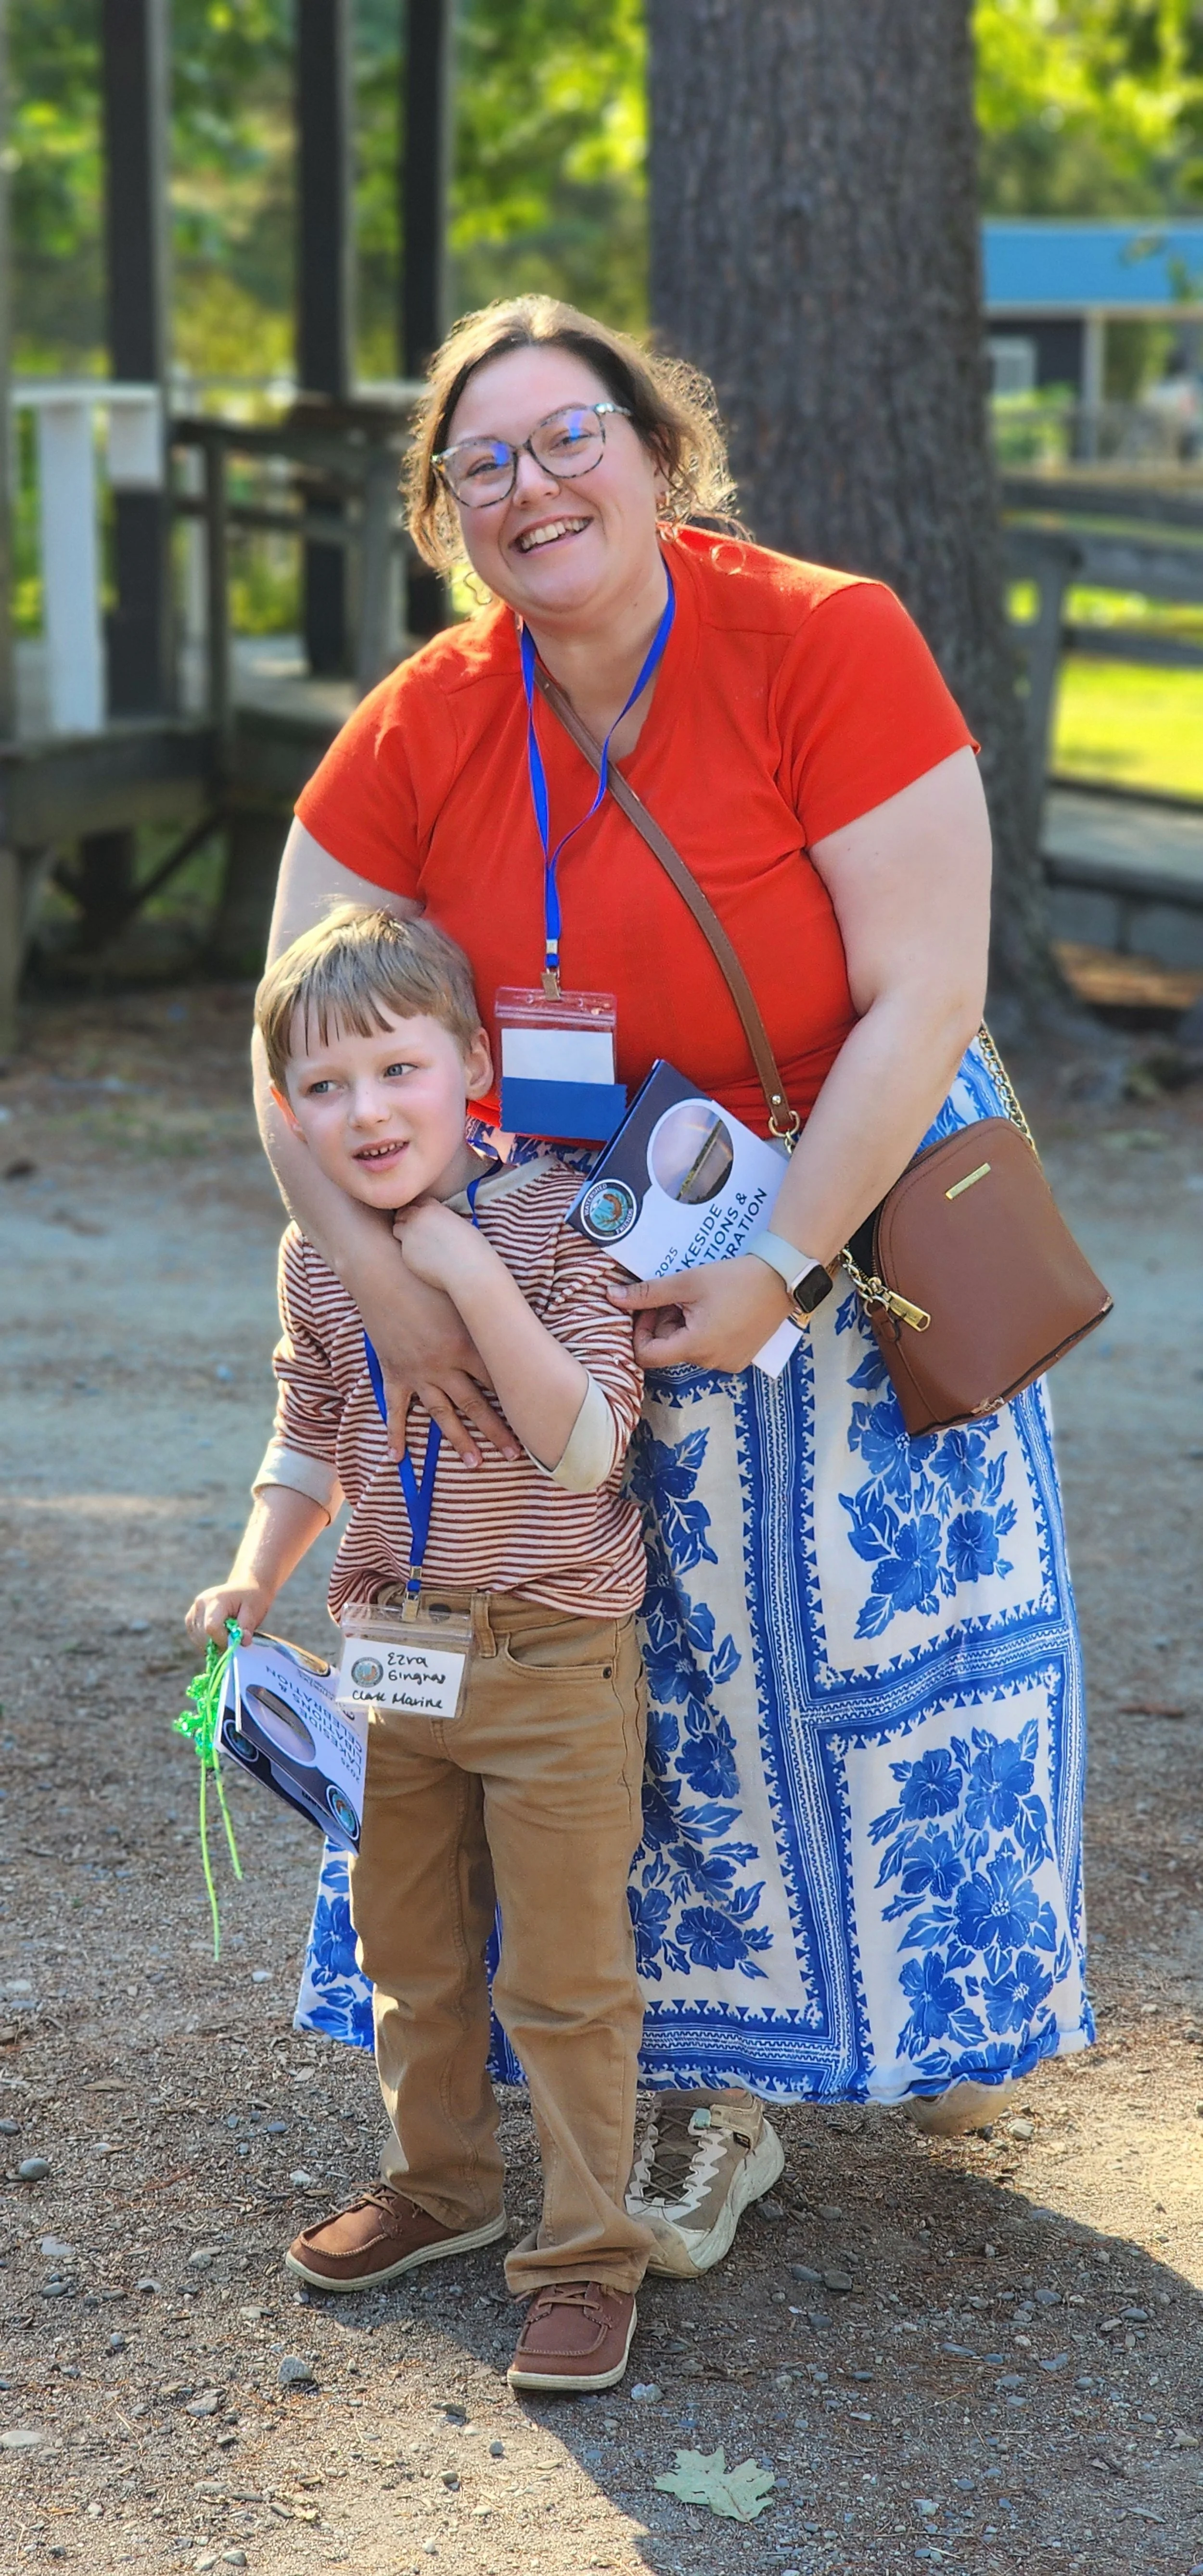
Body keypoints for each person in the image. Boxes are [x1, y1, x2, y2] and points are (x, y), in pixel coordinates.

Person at [262, 294, 1093, 2284]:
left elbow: (926, 989)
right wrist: (390, 1281)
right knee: (585, 1665)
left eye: (570, 439)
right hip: (549, 1253)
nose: (532, 485)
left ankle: (763, 2089)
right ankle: (595, 2090)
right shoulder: (429, 716)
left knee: (803, 1678)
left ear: (658, 450)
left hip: (828, 1183)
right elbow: (279, 1033)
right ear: (447, 513)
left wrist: (785, 1266)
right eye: (484, 463)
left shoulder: (824, 637)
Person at [186, 902, 661, 2395]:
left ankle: (586, 2256)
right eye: (321, 1090)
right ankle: (443, 2186)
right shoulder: (308, 1255)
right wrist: (257, 1572)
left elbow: (584, 1447)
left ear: (471, 1064)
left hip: (554, 1660)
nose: (363, 1112)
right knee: (407, 1947)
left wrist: (459, 1268)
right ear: (287, 1116)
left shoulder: (556, 1218)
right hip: (392, 1659)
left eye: (393, 1071)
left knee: (567, 1977)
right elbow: (309, 1425)